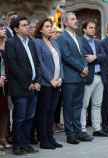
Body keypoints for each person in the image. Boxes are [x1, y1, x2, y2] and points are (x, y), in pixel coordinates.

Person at [4, 16, 41, 155]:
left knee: (29, 117)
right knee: (20, 118)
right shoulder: (11, 43)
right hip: (20, 87)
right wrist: (28, 83)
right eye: (24, 25)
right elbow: (13, 67)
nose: (28, 27)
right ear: (16, 28)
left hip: (33, 87)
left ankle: (26, 144)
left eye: (28, 24)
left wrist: (37, 81)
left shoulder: (30, 42)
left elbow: (37, 64)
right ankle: (17, 145)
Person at [56, 12, 92, 144]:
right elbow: (66, 56)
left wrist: (85, 67)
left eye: (76, 18)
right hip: (70, 78)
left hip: (80, 77)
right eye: (72, 19)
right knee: (69, 107)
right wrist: (81, 68)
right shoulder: (62, 38)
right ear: (65, 23)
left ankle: (78, 132)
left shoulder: (79, 37)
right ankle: (70, 134)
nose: (76, 21)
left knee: (78, 106)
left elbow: (83, 55)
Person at [33, 18, 63, 149]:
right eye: (47, 26)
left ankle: (51, 138)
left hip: (57, 83)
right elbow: (40, 64)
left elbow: (60, 62)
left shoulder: (54, 43)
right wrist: (51, 79)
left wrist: (60, 78)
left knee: (51, 112)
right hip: (46, 83)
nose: (50, 29)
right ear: (40, 29)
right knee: (43, 112)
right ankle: (43, 139)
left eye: (51, 26)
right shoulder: (37, 43)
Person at [80, 21, 108, 137]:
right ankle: (82, 129)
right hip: (88, 77)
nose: (93, 29)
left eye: (94, 28)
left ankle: (97, 128)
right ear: (84, 30)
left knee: (97, 104)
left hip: (99, 76)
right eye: (90, 28)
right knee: (84, 105)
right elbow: (84, 57)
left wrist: (95, 57)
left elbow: (104, 55)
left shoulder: (98, 42)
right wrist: (95, 58)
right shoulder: (80, 41)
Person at [0, 20, 11, 154]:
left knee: (5, 111)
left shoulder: (8, 45)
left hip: (7, 83)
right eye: (1, 28)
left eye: (3, 28)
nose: (3, 30)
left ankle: (3, 137)